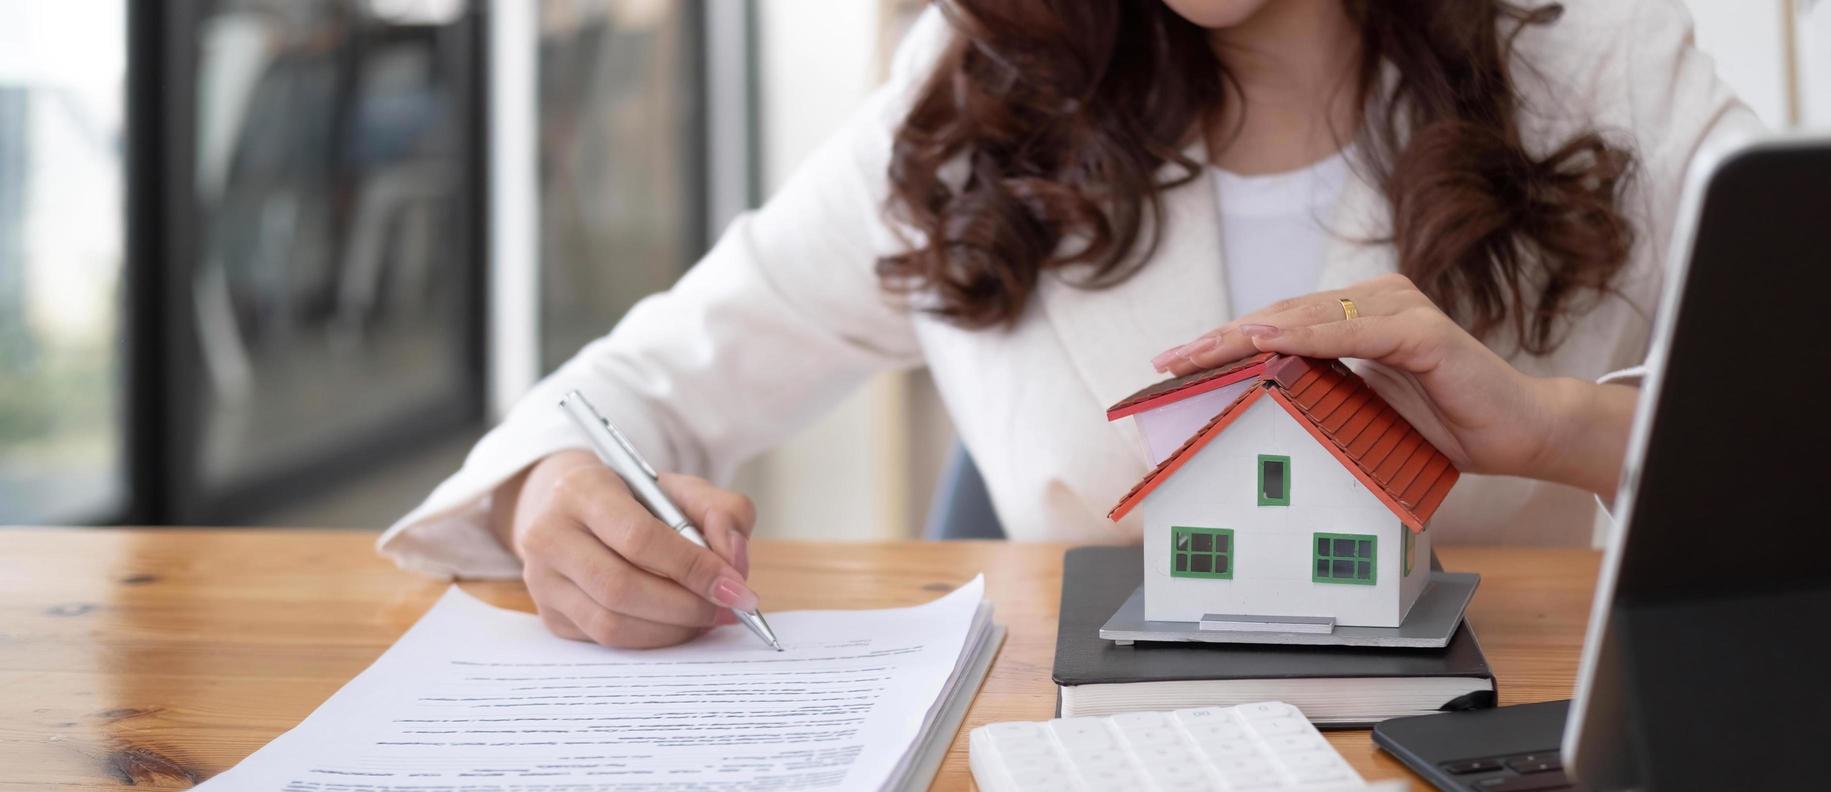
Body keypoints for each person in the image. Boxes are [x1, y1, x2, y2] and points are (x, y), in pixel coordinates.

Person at [381, 0, 1759, 648]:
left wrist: (1565, 427)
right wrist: (557, 493)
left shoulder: (1601, 54)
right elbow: (639, 389)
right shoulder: (973, 100)